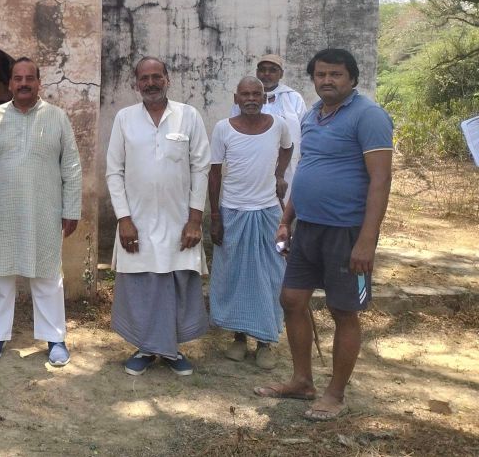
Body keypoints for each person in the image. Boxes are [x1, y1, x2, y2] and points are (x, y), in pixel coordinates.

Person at [255, 48, 393, 421]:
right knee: (291, 299)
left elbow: (381, 180)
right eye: (320, 74)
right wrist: (286, 220)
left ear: (352, 78)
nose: (327, 80)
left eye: (335, 74)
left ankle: (335, 393)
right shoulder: (312, 115)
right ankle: (302, 382)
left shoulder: (369, 115)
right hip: (308, 227)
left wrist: (367, 240)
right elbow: (305, 169)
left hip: (347, 231)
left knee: (343, 310)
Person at [0, 57, 82, 367]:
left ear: (39, 83)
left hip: (45, 209)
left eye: (29, 78)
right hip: (3, 210)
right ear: (9, 84)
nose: (23, 84)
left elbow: (71, 166)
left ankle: (55, 338)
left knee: (47, 273)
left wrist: (72, 208)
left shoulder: (57, 117)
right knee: (1, 273)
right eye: (17, 78)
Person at [106, 56, 211, 376]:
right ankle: (145, 348)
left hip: (179, 221)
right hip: (136, 221)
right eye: (144, 78)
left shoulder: (188, 116)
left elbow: (201, 168)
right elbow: (114, 171)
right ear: (136, 83)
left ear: (168, 79)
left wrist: (195, 220)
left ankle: (171, 350)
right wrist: (124, 218)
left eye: (156, 77)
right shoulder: (125, 118)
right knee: (141, 286)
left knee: (176, 283)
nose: (150, 83)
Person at [209, 76, 293, 370]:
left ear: (264, 98)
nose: (251, 99)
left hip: (268, 212)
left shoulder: (279, 125)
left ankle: (265, 341)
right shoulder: (223, 129)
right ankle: (239, 338)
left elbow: (288, 148)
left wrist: (279, 174)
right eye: (245, 94)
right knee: (235, 276)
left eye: (256, 94)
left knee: (270, 276)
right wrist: (215, 217)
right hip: (233, 212)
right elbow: (214, 173)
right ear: (236, 98)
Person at [232, 54, 307, 201]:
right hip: (252, 163)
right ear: (256, 72)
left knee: (284, 203)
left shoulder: (293, 98)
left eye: (272, 70)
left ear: (281, 74)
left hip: (287, 165)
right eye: (262, 70)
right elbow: (234, 127)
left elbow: (303, 131)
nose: (266, 74)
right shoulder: (244, 98)